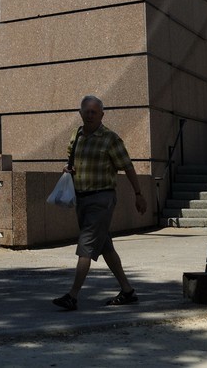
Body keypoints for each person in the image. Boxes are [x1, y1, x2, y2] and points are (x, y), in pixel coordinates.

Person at [52, 95, 147, 311]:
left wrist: (139, 194)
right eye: (87, 111)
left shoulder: (111, 139)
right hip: (81, 198)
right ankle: (127, 291)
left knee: (85, 246)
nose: (90, 115)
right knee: (104, 246)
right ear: (80, 113)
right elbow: (71, 161)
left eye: (95, 112)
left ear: (102, 115)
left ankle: (72, 296)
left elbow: (128, 167)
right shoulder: (76, 136)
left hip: (102, 198)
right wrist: (68, 169)